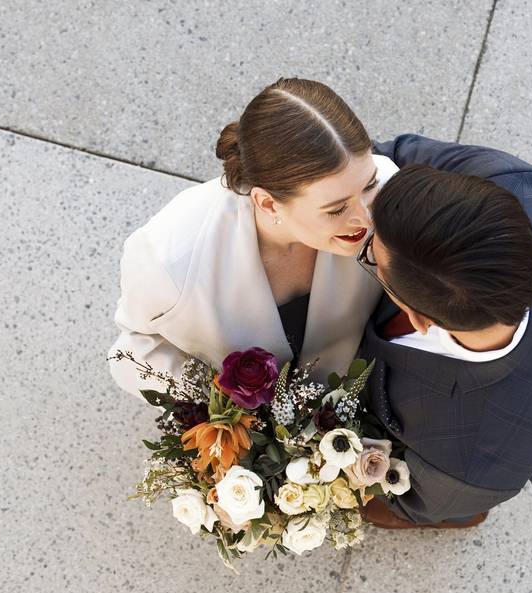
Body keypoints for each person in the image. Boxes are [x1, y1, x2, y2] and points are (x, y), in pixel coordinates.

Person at [108, 78, 398, 396]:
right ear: (268, 202)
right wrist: (229, 416)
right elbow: (135, 349)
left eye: (368, 185)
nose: (367, 216)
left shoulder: (388, 191)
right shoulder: (167, 258)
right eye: (336, 209)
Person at [356, 136, 532, 528]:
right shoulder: (524, 184)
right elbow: (395, 153)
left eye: (371, 256)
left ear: (418, 318)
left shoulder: (473, 462)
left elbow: (406, 505)